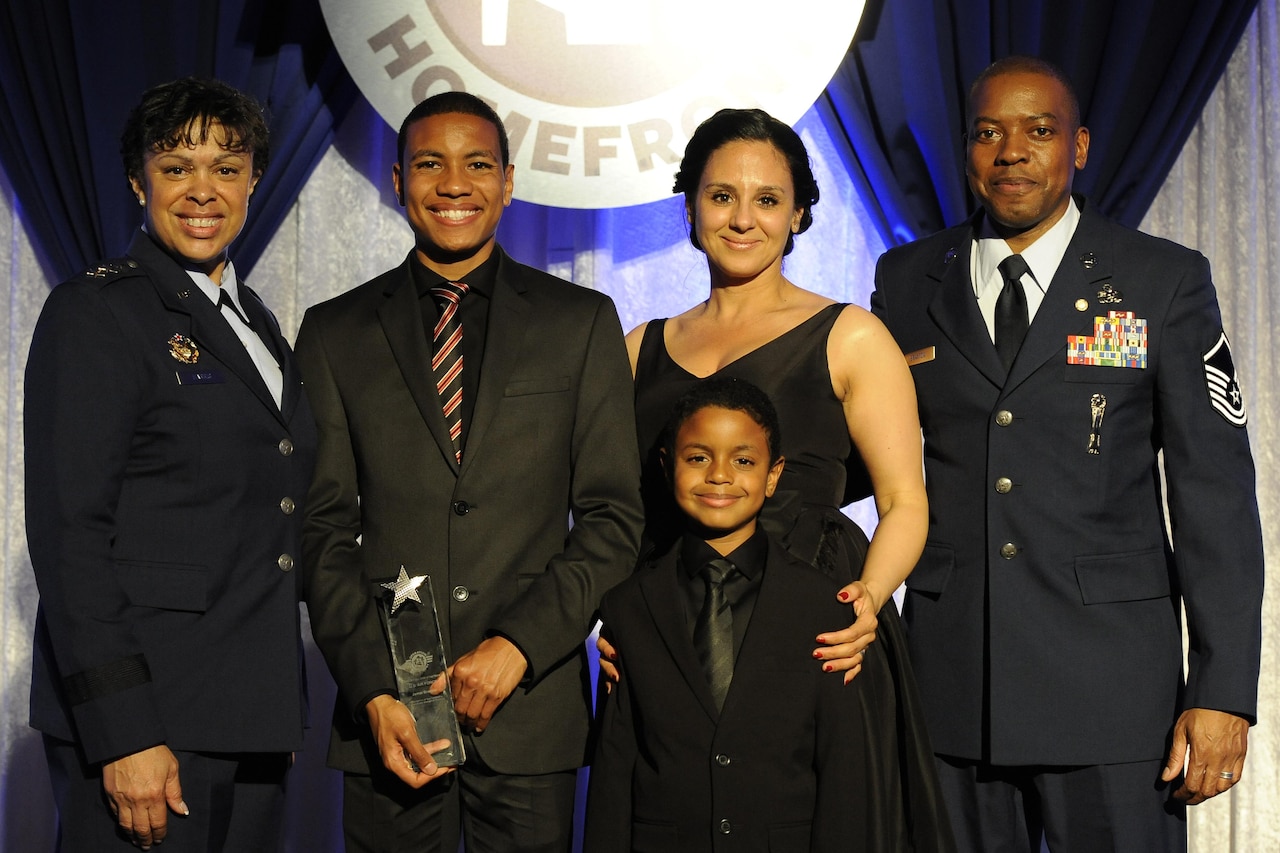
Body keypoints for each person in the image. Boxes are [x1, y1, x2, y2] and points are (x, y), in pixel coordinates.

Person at [870, 55, 1265, 851]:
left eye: (1039, 131)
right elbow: (861, 452)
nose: (1011, 151)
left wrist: (1223, 691)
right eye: (989, 133)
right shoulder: (908, 279)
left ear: (1078, 147)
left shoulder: (1162, 282)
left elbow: (1214, 494)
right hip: (953, 691)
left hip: (1113, 698)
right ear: (967, 150)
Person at [293, 91, 644, 852]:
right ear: (396, 180)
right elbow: (321, 528)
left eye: (477, 163)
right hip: (389, 719)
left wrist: (518, 645)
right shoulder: (334, 332)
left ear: (509, 182)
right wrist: (373, 689)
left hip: (531, 709)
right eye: (430, 163)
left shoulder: (579, 323)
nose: (454, 183)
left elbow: (614, 520)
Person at [603, 107, 954, 849]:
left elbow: (903, 501)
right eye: (721, 195)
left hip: (818, 630)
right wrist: (614, 621)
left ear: (798, 214)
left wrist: (865, 604)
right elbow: (619, 512)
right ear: (691, 205)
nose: (741, 218)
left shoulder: (853, 335)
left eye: (767, 199)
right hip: (676, 636)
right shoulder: (640, 347)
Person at [24, 78, 316, 852]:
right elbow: (70, 533)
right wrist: (122, 734)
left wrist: (272, 704)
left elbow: (271, 519)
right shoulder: (99, 312)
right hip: (151, 726)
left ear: (254, 179)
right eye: (177, 164)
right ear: (137, 179)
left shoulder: (254, 322)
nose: (202, 189)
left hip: (245, 719)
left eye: (227, 166)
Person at [586, 376, 893, 851]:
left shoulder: (823, 607)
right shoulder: (629, 606)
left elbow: (844, 773)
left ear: (773, 475)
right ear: (669, 467)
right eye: (698, 457)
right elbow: (613, 775)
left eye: (744, 460)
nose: (720, 475)